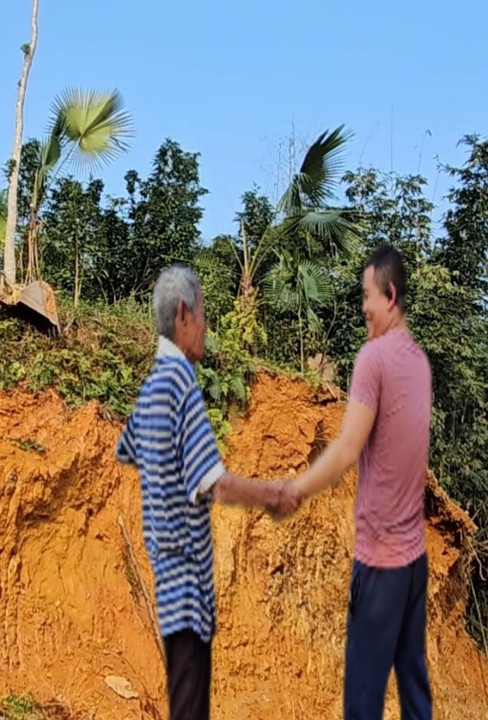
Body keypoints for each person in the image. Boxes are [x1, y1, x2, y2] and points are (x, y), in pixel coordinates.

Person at [115, 265, 294, 720]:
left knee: (184, 697)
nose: (206, 330)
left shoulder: (153, 385)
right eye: (203, 318)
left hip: (166, 572)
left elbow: (128, 447)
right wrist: (273, 495)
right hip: (188, 583)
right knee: (191, 706)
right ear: (182, 316)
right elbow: (217, 484)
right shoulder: (180, 384)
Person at [286, 244, 432, 720]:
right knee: (413, 686)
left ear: (389, 295)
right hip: (414, 563)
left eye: (367, 295)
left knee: (363, 699)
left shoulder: (375, 358)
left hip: (382, 562)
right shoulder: (419, 363)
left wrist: (298, 488)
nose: (363, 306)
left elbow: (349, 449)